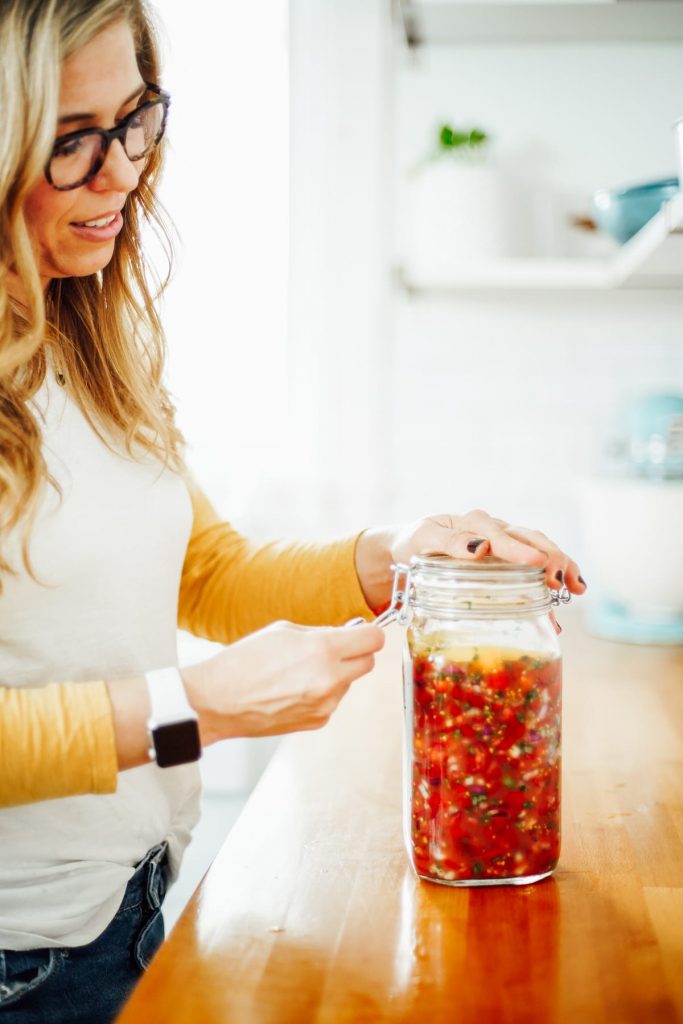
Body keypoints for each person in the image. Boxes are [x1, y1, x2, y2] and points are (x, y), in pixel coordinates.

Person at [0, 0, 586, 1020]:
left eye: (136, 120)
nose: (123, 173)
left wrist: (390, 554)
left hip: (128, 902)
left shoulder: (93, 331)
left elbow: (204, 570)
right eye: (70, 144)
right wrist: (204, 705)